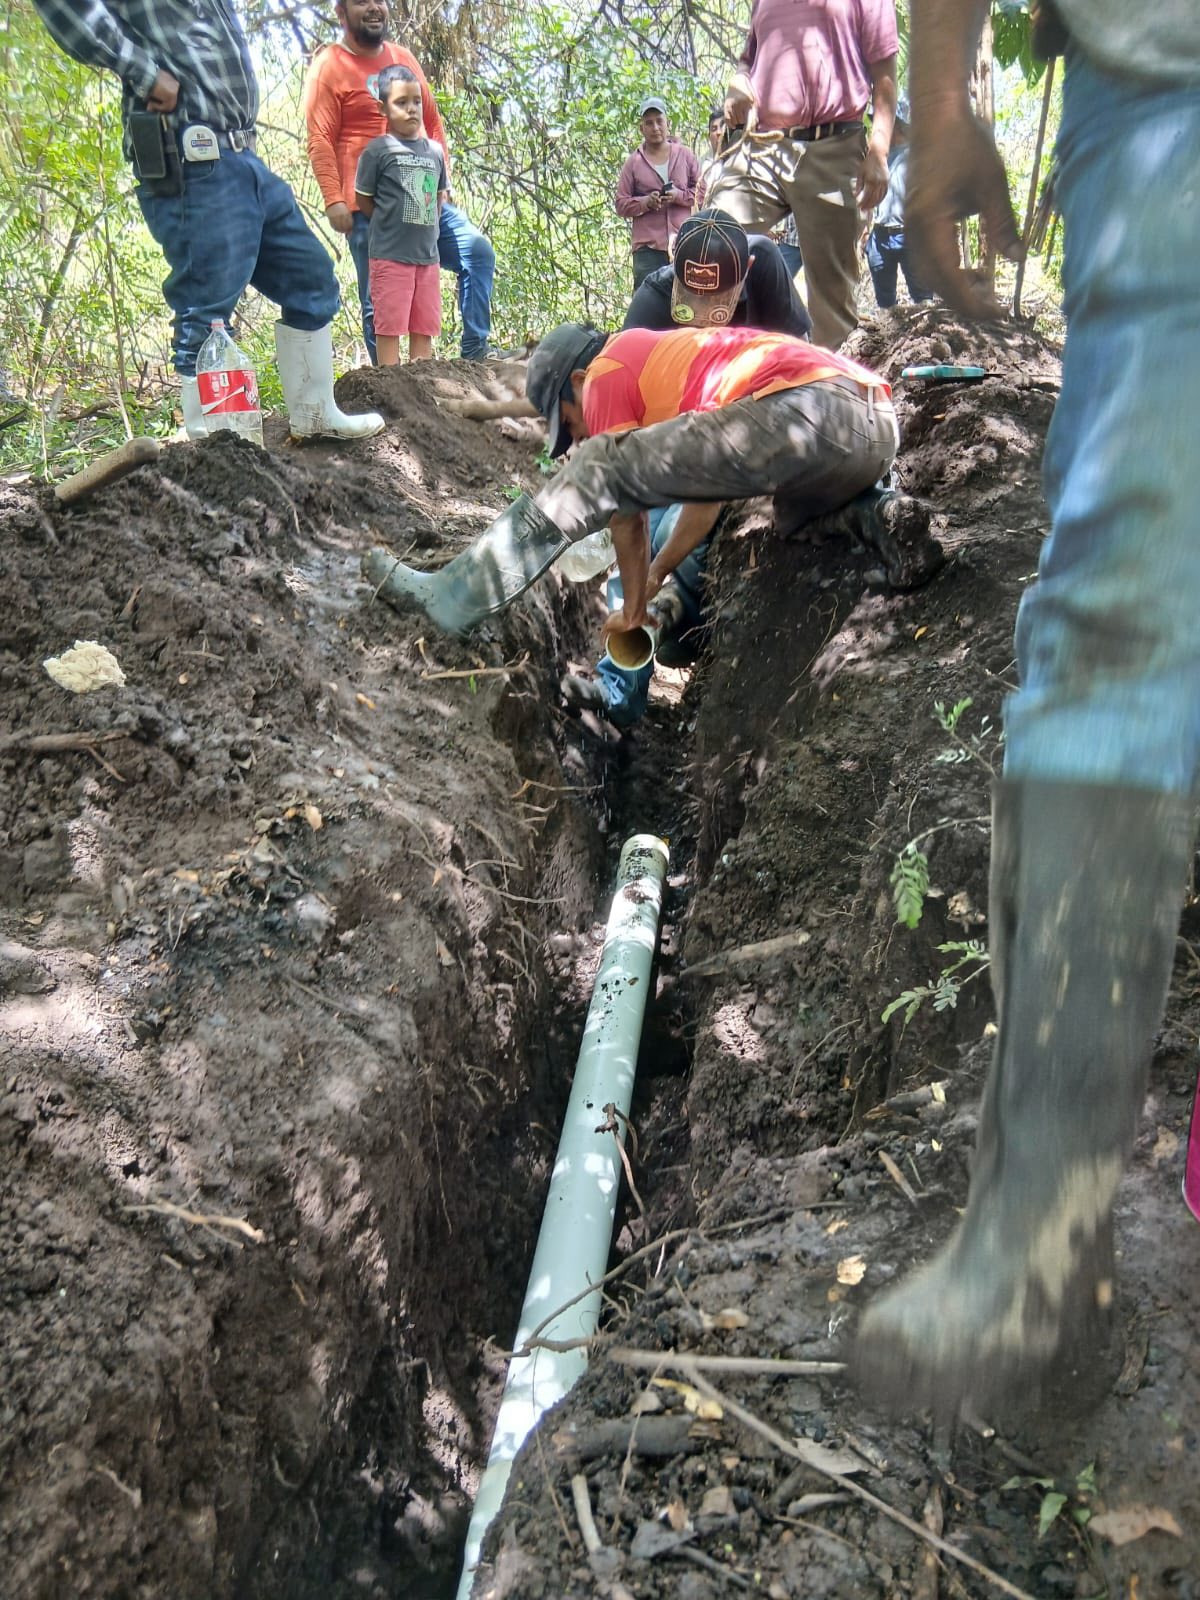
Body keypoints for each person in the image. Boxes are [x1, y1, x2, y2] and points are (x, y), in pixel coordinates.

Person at [853, 0, 1200, 1414]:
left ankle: (1044, 1247)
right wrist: (943, 101)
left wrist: (943, 104)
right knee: (1123, 595)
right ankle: (1042, 1241)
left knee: (1122, 613)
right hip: (1162, 82)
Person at [31, 0, 383, 443]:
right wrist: (143, 71)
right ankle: (210, 445)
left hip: (244, 156)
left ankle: (314, 415)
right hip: (190, 156)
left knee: (311, 280)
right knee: (207, 303)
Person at [305, 0, 496, 361]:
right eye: (361, 2)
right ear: (341, 13)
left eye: (379, 0)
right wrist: (333, 199)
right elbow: (320, 138)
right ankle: (390, 385)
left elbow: (432, 122)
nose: (374, 8)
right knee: (380, 300)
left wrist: (443, 183)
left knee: (477, 253)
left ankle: (475, 356)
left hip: (424, 196)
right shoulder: (329, 65)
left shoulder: (402, 58)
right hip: (371, 205)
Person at [707, 0, 899, 348]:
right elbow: (749, 58)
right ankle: (733, 361)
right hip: (762, 146)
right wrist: (739, 80)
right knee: (711, 240)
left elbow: (884, 72)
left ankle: (829, 376)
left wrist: (879, 149)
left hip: (833, 146)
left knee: (832, 303)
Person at [354, 65, 447, 364]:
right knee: (389, 327)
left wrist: (429, 227)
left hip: (427, 258)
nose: (411, 109)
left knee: (424, 327)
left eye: (416, 101)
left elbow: (439, 196)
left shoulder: (434, 152)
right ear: (383, 108)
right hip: (390, 256)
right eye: (401, 102)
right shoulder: (378, 151)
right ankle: (390, 383)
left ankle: (422, 385)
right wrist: (388, 221)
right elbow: (364, 199)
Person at [623, 207, 812, 341]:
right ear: (674, 260)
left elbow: (800, 351)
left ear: (748, 266)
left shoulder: (764, 260)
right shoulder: (654, 297)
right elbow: (622, 365)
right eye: (694, 296)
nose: (705, 321)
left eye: (716, 300)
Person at [615, 96, 701, 289]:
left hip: (684, 243)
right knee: (647, 302)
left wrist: (679, 196)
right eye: (649, 123)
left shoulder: (685, 155)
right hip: (648, 250)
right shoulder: (633, 163)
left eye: (659, 121)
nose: (655, 127)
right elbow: (620, 204)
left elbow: (703, 192)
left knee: (686, 301)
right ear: (641, 129)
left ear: (667, 123)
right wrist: (646, 202)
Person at [865, 97, 933, 310]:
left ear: (898, 124)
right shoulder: (875, 157)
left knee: (923, 300)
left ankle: (927, 330)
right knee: (885, 305)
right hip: (880, 235)